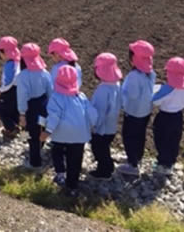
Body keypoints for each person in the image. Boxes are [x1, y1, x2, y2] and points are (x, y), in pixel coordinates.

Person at [41, 65, 97, 196]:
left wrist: (47, 131)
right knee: (75, 160)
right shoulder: (80, 96)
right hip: (80, 134)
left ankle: (60, 173)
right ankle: (72, 186)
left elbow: (54, 116)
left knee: (57, 151)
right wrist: (93, 125)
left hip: (62, 133)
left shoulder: (56, 97)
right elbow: (91, 112)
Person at [117, 40, 156, 177]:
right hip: (146, 111)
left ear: (133, 59)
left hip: (133, 113)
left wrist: (121, 98)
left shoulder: (134, 77)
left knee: (128, 136)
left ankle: (132, 164)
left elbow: (131, 95)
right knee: (140, 135)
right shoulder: (150, 73)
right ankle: (137, 157)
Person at [152, 57, 184, 176]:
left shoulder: (167, 89)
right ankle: (170, 163)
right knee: (174, 140)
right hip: (177, 117)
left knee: (161, 140)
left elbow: (155, 101)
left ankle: (162, 163)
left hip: (164, 117)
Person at [16, 43, 53, 169]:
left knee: (31, 133)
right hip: (43, 104)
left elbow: (22, 96)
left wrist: (22, 113)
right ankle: (39, 148)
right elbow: (50, 92)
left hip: (30, 107)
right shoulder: (45, 73)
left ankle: (34, 162)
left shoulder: (22, 76)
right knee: (41, 129)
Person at [89, 53, 123, 180]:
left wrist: (95, 126)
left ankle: (104, 170)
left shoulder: (103, 89)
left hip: (101, 128)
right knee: (104, 147)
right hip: (111, 126)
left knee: (99, 148)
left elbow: (100, 111)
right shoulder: (116, 85)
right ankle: (107, 166)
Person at [0, 36, 21, 139]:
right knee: (14, 110)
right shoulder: (18, 62)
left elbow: (9, 81)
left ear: (4, 52)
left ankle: (11, 129)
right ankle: (18, 126)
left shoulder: (10, 64)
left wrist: (0, 90)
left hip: (9, 91)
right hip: (17, 90)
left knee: (2, 110)